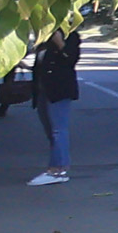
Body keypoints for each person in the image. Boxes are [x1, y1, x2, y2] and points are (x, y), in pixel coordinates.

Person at [25, 27, 82, 186]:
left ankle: (57, 169)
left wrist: (60, 43)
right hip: (43, 90)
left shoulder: (70, 36)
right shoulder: (43, 38)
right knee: (50, 130)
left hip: (60, 90)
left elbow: (71, 59)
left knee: (58, 130)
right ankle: (59, 162)